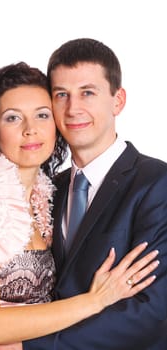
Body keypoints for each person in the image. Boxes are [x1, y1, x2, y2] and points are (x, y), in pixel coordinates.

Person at [0, 60, 159, 350]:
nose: (31, 130)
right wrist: (95, 300)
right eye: (13, 118)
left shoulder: (50, 192)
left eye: (42, 115)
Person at [22, 38, 167, 350]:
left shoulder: (157, 183)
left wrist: (26, 346)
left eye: (87, 92)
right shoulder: (48, 188)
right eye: (62, 95)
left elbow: (152, 312)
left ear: (118, 100)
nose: (73, 109)